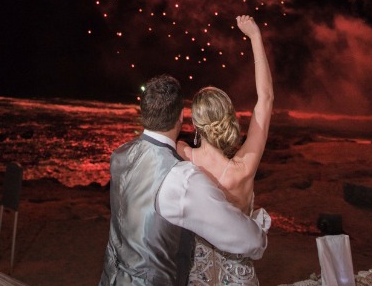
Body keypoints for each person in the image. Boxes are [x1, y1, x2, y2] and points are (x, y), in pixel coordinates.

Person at [99, 73, 268, 286]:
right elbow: (249, 240)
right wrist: (259, 232)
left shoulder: (120, 155)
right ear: (181, 116)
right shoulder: (182, 179)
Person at [176, 14, 274, 286]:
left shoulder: (182, 155)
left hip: (199, 273)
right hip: (237, 276)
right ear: (229, 116)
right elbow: (265, 99)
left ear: (195, 123)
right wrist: (255, 37)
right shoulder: (243, 168)